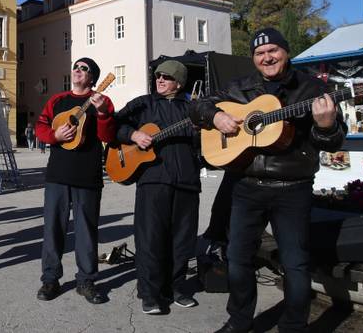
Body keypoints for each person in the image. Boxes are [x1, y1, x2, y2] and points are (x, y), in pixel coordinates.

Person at [189, 28, 347, 333]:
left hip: (293, 188)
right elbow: (197, 106)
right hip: (246, 186)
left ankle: (293, 326)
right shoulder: (239, 87)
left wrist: (326, 126)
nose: (267, 57)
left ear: (286, 52)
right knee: (237, 259)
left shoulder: (311, 89)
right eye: (260, 54)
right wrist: (215, 117)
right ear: (254, 59)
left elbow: (333, 142)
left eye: (273, 50)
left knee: (295, 263)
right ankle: (239, 322)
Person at [113, 60, 201, 315]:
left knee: (183, 241)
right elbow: (114, 125)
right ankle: (149, 294)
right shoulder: (144, 104)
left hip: (187, 181)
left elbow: (204, 143)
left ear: (180, 83)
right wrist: (133, 135)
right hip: (153, 181)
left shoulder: (193, 108)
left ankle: (177, 289)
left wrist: (199, 131)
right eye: (158, 75)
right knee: (150, 239)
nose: (159, 80)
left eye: (166, 77)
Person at [35, 57, 116, 305]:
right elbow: (40, 126)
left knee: (86, 232)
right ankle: (50, 279)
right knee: (53, 229)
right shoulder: (57, 100)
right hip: (57, 175)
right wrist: (54, 135)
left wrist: (101, 112)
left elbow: (108, 135)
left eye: (85, 69)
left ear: (93, 78)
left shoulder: (103, 100)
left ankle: (86, 281)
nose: (78, 70)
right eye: (76, 67)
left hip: (87, 175)